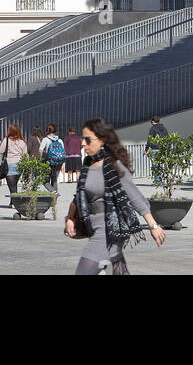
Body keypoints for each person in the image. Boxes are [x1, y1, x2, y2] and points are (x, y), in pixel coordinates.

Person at [65, 118, 166, 275]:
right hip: (94, 228)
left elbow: (135, 196)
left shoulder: (114, 166)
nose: (82, 144)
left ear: (102, 140)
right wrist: (71, 218)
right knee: (119, 270)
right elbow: (79, 196)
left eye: (87, 139)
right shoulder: (87, 166)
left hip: (108, 229)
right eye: (82, 139)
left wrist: (153, 225)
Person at [0, 124, 28, 200]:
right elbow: (25, 155)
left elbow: (0, 150)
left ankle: (15, 202)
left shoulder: (6, 140)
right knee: (15, 184)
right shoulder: (22, 141)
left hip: (9, 164)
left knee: (12, 186)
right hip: (19, 164)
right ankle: (13, 202)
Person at [39, 123, 66, 193]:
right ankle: (54, 199)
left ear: (47, 130)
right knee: (54, 180)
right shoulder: (60, 140)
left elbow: (40, 150)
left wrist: (41, 160)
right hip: (58, 163)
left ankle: (53, 191)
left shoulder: (45, 139)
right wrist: (63, 164)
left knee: (45, 181)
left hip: (49, 162)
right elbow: (63, 152)